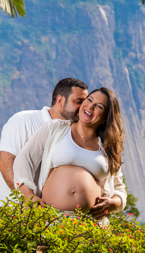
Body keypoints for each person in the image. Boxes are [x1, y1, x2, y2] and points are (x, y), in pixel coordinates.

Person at [14, 87, 127, 222]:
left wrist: (114, 202)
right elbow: (25, 159)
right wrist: (28, 195)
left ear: (105, 117)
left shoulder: (108, 147)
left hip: (90, 224)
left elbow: (119, 188)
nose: (90, 106)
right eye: (89, 100)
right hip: (48, 219)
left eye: (99, 107)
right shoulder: (55, 128)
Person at [0, 78, 89, 203]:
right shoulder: (23, 121)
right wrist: (26, 198)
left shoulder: (73, 133)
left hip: (42, 216)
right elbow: (6, 164)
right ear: (60, 101)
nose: (83, 108)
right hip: (7, 211)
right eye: (78, 102)